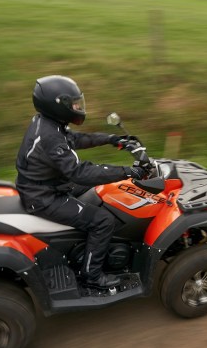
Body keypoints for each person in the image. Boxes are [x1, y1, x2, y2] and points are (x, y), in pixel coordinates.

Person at [15, 75, 146, 288]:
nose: (78, 107)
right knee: (103, 221)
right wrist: (128, 171)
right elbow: (79, 172)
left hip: (46, 184)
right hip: (44, 197)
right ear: (57, 105)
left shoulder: (48, 123)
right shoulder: (50, 137)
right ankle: (92, 275)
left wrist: (112, 139)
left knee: (102, 186)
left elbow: (75, 139)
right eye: (73, 103)